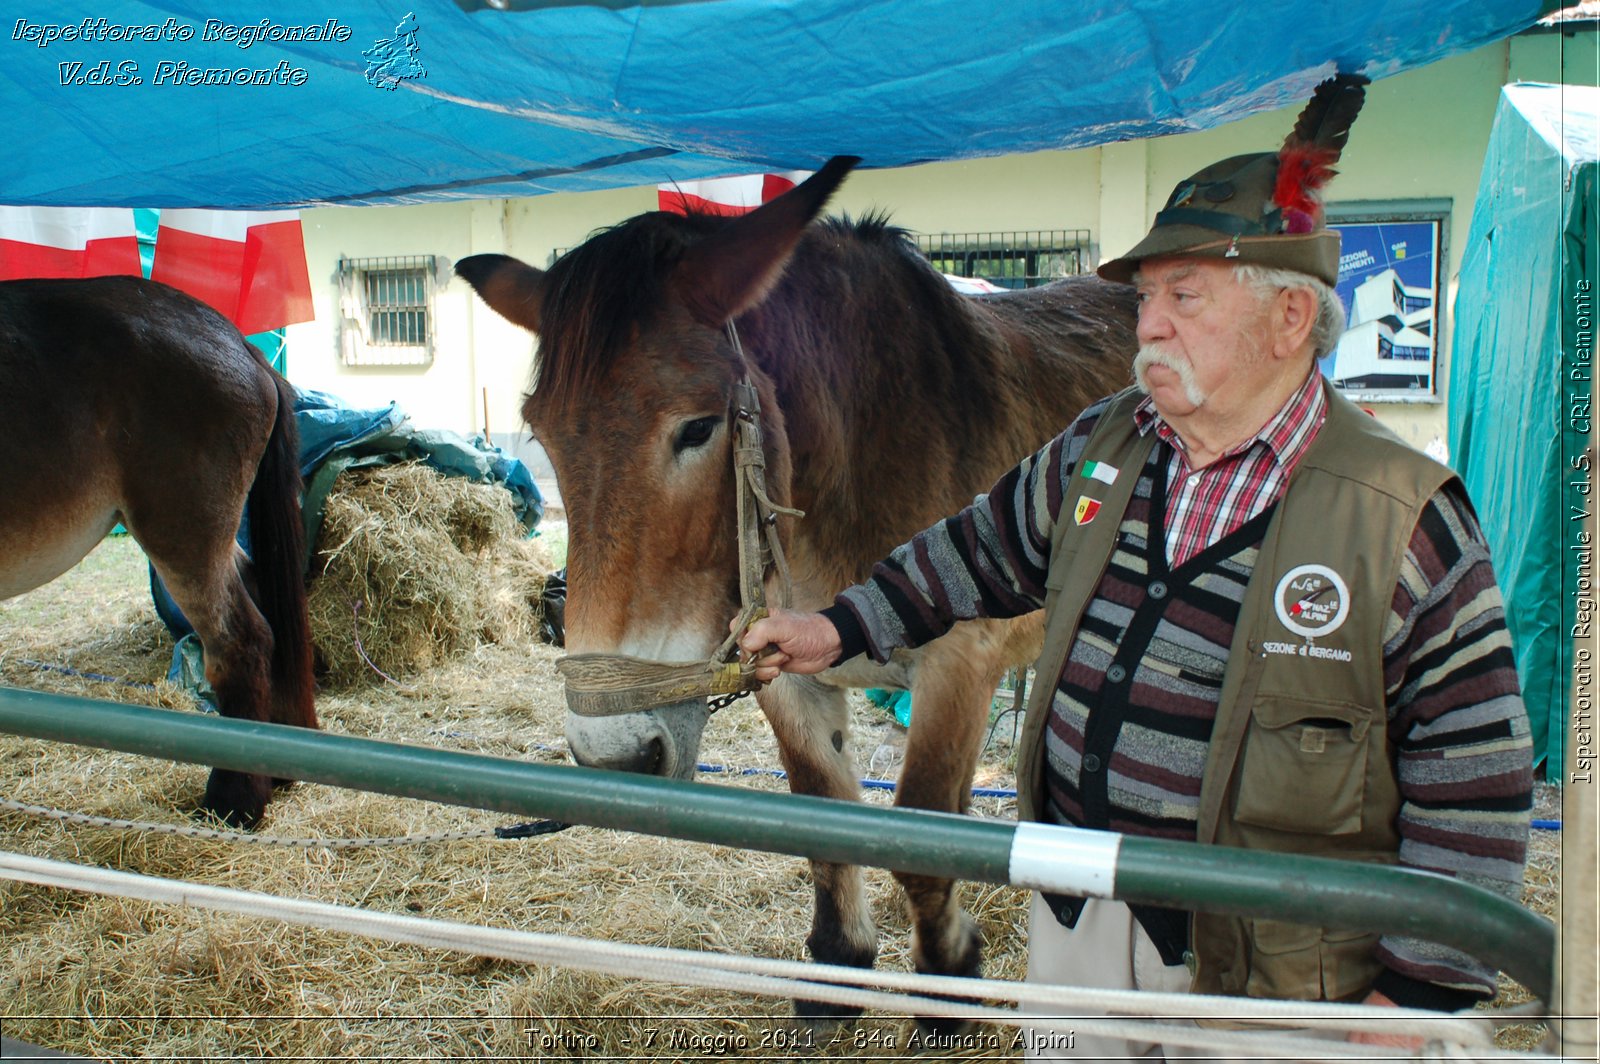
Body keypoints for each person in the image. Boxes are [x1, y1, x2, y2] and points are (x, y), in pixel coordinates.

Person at [739, 74, 1532, 1059]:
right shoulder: (1104, 445)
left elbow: (1474, 777)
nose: (1143, 325)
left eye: (1181, 297)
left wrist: (1416, 995)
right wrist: (842, 624)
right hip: (1081, 919)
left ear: (1289, 320)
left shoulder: (1404, 517)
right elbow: (971, 552)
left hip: (1277, 960)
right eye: (1146, 296)